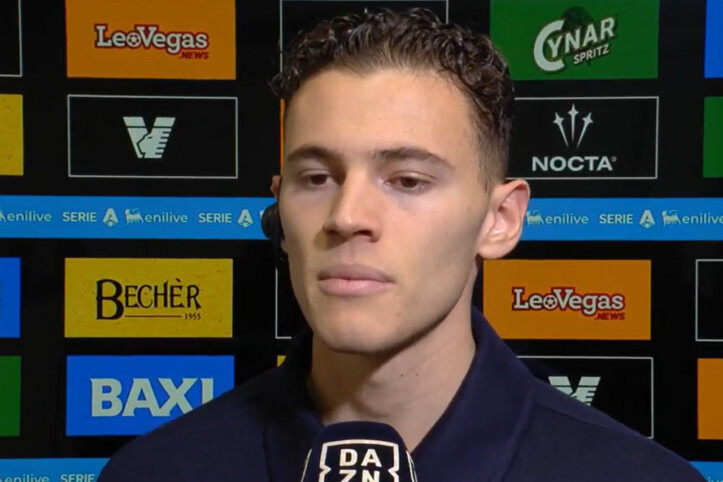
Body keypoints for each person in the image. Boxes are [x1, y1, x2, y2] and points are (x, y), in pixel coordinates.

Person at [98, 9, 703, 481]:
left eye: (408, 180)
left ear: (499, 220)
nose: (347, 216)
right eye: (318, 178)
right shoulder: (154, 472)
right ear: (279, 207)